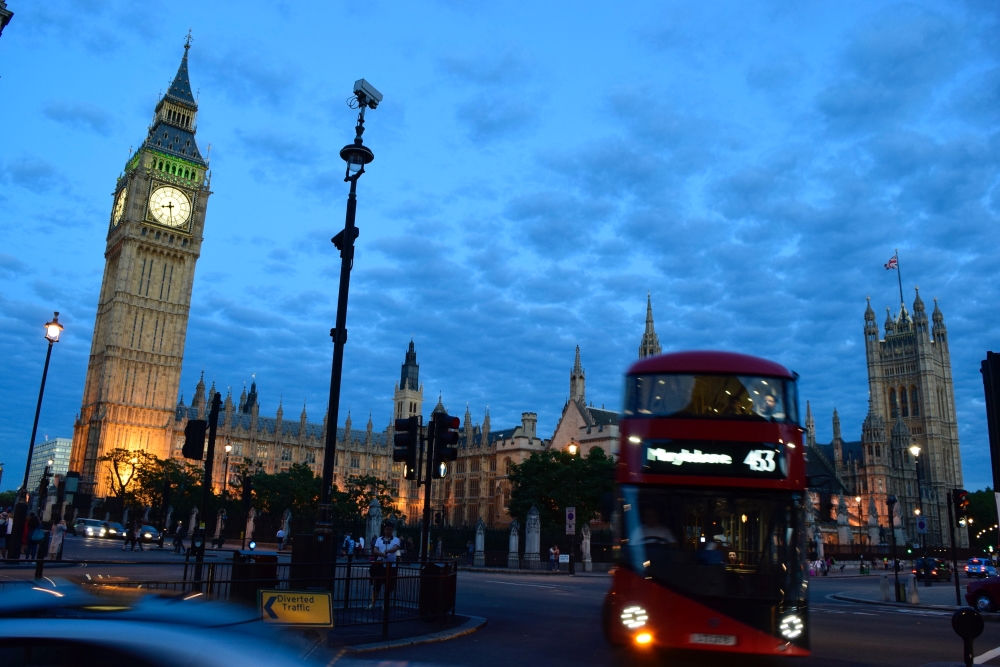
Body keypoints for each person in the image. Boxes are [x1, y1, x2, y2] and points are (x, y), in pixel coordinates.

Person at [369, 521, 401, 610]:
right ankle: (373, 603)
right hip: (380, 565)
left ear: (393, 530)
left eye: (390, 529)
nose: (388, 531)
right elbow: (375, 550)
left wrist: (388, 551)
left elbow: (395, 548)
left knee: (389, 587)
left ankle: (385, 604)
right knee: (376, 586)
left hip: (391, 566)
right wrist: (382, 554)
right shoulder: (379, 539)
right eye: (387, 529)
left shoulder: (396, 539)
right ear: (384, 529)